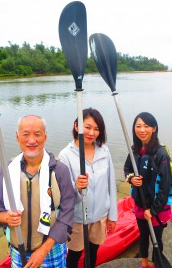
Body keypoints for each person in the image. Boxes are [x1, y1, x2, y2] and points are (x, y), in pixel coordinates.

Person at [0, 115, 75, 268]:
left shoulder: (59, 171)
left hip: (51, 250)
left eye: (37, 134)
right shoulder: (7, 170)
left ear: (45, 136)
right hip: (18, 249)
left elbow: (67, 213)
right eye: (25, 134)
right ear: (17, 137)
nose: (31, 140)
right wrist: (6, 217)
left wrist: (44, 250)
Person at [58, 108, 118, 268]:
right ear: (77, 126)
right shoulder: (65, 155)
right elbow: (62, 195)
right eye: (88, 127)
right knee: (74, 256)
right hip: (77, 219)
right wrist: (76, 187)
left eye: (97, 129)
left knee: (92, 254)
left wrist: (112, 215)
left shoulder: (104, 150)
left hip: (99, 216)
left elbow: (111, 184)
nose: (92, 132)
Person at [124, 112, 172, 268]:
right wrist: (131, 178)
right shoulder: (135, 150)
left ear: (154, 128)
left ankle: (156, 263)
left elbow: (165, 187)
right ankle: (145, 264)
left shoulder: (161, 153)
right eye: (138, 126)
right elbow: (126, 168)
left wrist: (153, 210)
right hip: (140, 204)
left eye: (146, 126)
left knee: (156, 239)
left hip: (157, 207)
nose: (142, 130)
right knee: (143, 236)